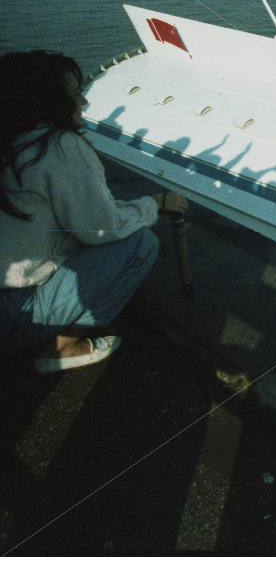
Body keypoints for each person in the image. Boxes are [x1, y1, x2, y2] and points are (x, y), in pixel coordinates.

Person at [0, 50, 187, 373]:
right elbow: (102, 229)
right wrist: (155, 203)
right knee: (139, 244)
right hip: (13, 316)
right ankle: (62, 348)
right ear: (47, 102)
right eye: (75, 94)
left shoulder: (10, 140)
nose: (83, 102)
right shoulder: (58, 145)